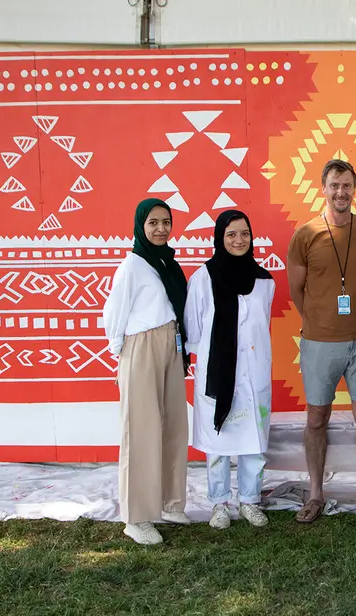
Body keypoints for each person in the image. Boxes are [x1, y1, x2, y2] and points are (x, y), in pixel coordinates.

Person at [286, 159, 356, 523]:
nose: (340, 192)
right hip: (319, 342)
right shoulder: (305, 234)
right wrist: (318, 320)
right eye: (334, 185)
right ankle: (315, 494)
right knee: (316, 418)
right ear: (323, 189)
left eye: (346, 185)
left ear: (354, 188)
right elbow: (296, 290)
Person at [102, 198, 192, 545]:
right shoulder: (132, 265)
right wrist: (120, 355)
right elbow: (114, 314)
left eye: (166, 222)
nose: (160, 229)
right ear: (140, 225)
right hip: (140, 348)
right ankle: (136, 516)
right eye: (153, 222)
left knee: (173, 425)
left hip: (171, 345)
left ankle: (170, 503)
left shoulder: (167, 262)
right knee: (140, 430)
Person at [185, 210, 275, 530]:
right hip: (219, 373)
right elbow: (193, 328)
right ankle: (219, 501)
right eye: (231, 235)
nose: (239, 240)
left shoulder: (265, 280)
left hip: (255, 372)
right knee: (218, 444)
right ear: (219, 238)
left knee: (253, 442)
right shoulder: (203, 278)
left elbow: (260, 323)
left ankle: (250, 500)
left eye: (245, 234)